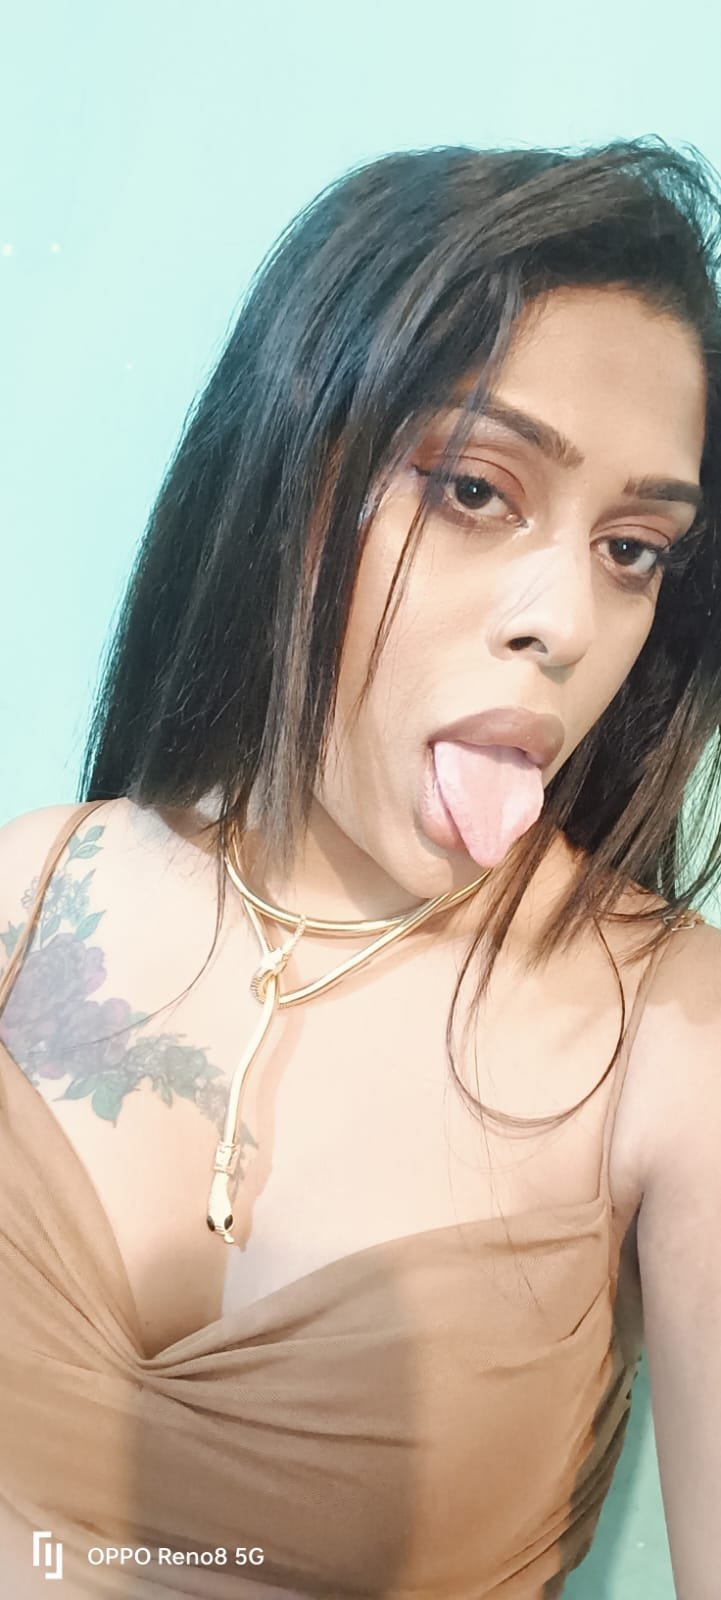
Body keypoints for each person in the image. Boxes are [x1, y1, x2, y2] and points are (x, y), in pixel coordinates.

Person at [1, 134, 720, 1600]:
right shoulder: (29, 894)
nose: (565, 623)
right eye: (476, 490)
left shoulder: (675, 1042)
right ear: (286, 472)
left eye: (632, 549)